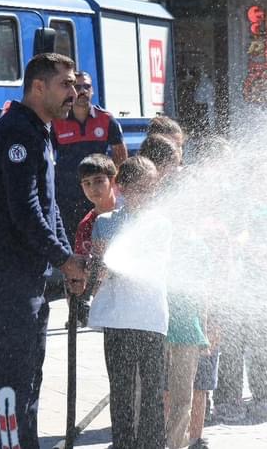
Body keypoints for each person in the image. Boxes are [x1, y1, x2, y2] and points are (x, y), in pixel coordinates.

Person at [0, 53, 90, 449]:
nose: (74, 92)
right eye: (65, 84)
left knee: (30, 374)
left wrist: (66, 259)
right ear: (39, 87)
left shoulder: (38, 130)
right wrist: (64, 259)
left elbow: (49, 209)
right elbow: (26, 210)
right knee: (14, 374)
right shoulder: (18, 133)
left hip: (27, 276)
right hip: (5, 277)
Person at [87, 156, 170, 449]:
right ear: (123, 188)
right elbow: (97, 269)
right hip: (118, 319)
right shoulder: (105, 223)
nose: (148, 195)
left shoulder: (162, 224)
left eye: (152, 189)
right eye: (142, 188)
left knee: (153, 391)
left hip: (151, 318)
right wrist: (93, 278)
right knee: (121, 390)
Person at [53, 70, 128, 243]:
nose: (83, 91)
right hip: (67, 194)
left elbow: (120, 156)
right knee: (72, 240)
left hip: (98, 193)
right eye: (77, 86)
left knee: (101, 238)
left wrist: (115, 187)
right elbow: (48, 158)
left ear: (92, 90)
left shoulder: (106, 119)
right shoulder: (58, 121)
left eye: (87, 86)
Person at [70, 154, 119, 327]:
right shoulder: (85, 225)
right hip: (105, 303)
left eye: (99, 181)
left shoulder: (128, 212)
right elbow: (79, 270)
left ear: (113, 180)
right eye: (87, 183)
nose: (93, 188)